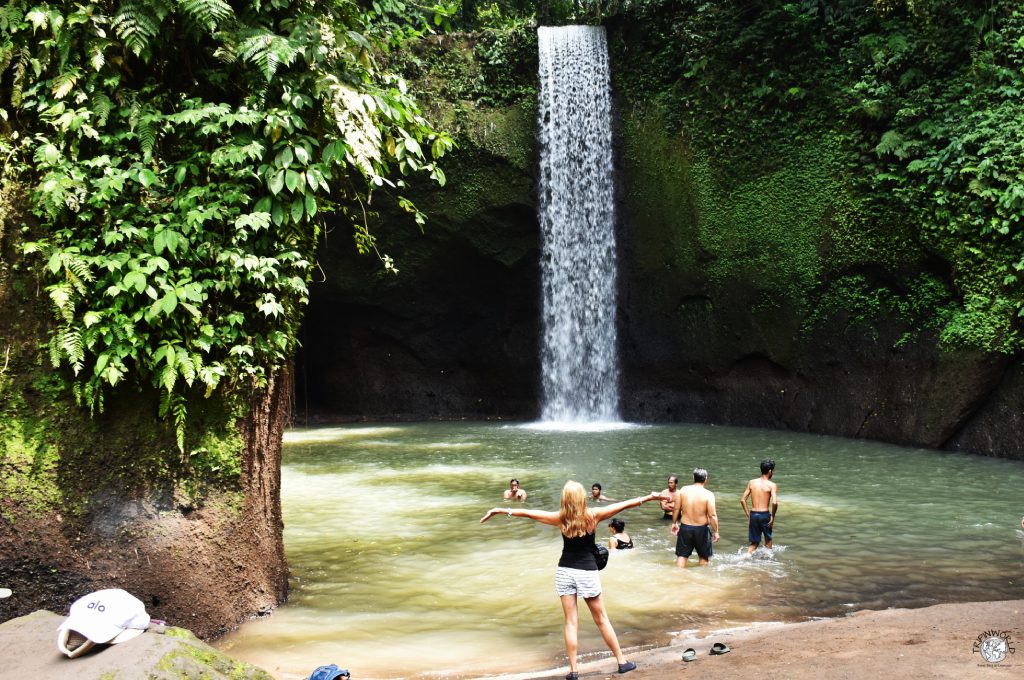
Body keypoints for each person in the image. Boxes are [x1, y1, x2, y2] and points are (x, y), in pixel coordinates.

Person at [481, 481, 666, 678]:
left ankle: (574, 671)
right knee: (602, 619)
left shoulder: (560, 518)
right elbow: (625, 504)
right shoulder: (593, 515)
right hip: (587, 572)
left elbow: (529, 513)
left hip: (564, 571)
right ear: (581, 497)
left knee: (571, 622)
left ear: (565, 498)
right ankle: (622, 662)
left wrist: (500, 510)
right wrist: (650, 497)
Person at [671, 468, 719, 568]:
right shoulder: (708, 494)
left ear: (693, 477)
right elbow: (712, 515)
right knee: (703, 558)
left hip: (685, 528)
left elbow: (676, 508)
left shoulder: (683, 490)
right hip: (701, 529)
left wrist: (674, 523)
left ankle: (678, 576)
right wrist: (716, 531)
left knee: (682, 556)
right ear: (706, 479)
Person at [741, 458, 778, 555]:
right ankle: (768, 562)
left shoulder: (751, 482)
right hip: (764, 515)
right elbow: (774, 503)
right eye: (772, 471)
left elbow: (743, 500)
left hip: (753, 514)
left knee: (754, 543)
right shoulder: (772, 485)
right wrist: (772, 516)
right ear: (770, 471)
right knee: (768, 541)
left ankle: (744, 557)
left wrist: (749, 515)